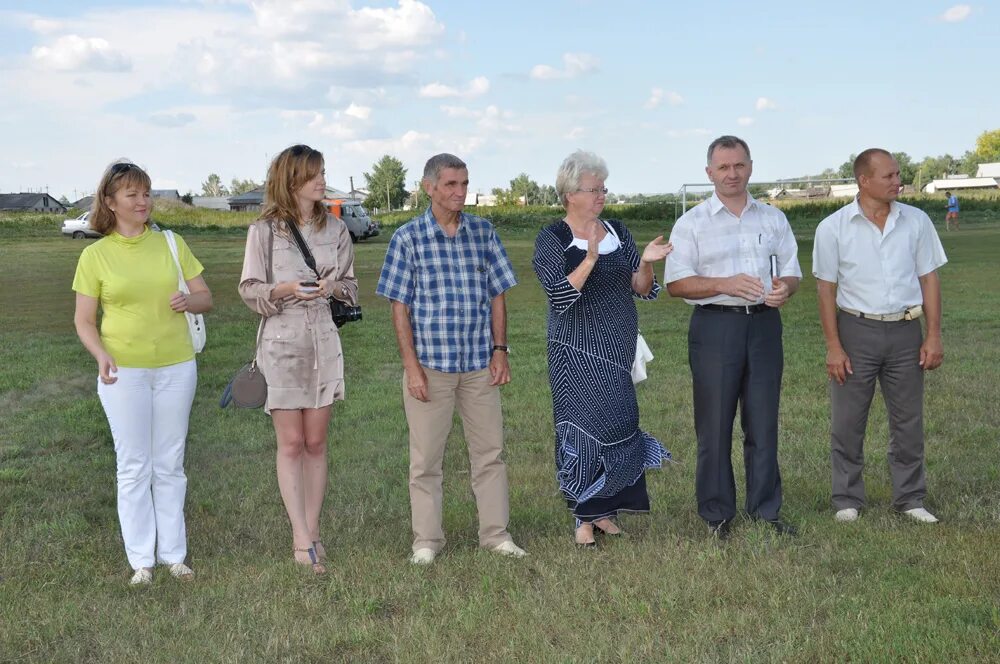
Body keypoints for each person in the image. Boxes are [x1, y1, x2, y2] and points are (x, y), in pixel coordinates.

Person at [376, 153, 527, 564]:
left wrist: (500, 351)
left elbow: (498, 293)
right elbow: (399, 307)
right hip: (431, 367)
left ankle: (496, 535)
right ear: (429, 187)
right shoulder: (407, 238)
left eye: (464, 184)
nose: (460, 193)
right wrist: (411, 367)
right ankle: (426, 541)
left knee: (490, 453)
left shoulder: (483, 232)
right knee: (425, 461)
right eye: (451, 185)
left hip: (480, 364)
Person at [72, 161, 213, 585]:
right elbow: (83, 321)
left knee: (170, 462)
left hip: (176, 366)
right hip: (123, 372)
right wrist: (100, 355)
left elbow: (206, 296)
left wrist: (190, 302)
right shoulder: (94, 255)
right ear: (110, 203)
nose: (142, 201)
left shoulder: (171, 243)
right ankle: (142, 562)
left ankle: (174, 555)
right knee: (134, 465)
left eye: (146, 193)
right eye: (132, 194)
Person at [532, 150, 673, 547]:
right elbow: (560, 296)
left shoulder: (618, 231)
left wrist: (645, 262)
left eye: (603, 188)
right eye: (594, 190)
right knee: (582, 431)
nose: (601, 196)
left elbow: (641, 289)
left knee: (619, 424)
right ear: (569, 194)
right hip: (575, 354)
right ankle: (583, 515)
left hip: (617, 348)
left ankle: (606, 512)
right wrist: (591, 256)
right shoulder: (553, 238)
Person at [665, 135, 802, 539]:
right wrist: (723, 283)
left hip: (763, 327)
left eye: (738, 165)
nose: (732, 173)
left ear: (751, 167)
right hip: (715, 328)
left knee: (763, 423)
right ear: (709, 173)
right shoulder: (691, 223)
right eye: (723, 167)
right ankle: (716, 514)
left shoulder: (773, 218)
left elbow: (791, 272)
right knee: (714, 425)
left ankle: (765, 511)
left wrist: (785, 290)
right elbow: (676, 284)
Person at [238, 144, 358, 574]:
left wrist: (331, 289)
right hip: (282, 344)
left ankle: (314, 528)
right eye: (314, 175)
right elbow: (249, 288)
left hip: (324, 344)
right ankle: (300, 537)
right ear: (292, 181)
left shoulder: (337, 230)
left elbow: (351, 287)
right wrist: (285, 290)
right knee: (291, 444)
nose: (323, 181)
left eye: (323, 172)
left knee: (316, 442)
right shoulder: (265, 231)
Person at [813, 148, 946, 524]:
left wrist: (932, 335)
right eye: (888, 175)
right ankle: (847, 498)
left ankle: (910, 497)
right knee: (848, 420)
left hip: (906, 330)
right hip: (856, 330)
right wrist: (834, 346)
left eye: (898, 174)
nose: (897, 181)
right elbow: (826, 289)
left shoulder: (917, 222)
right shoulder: (833, 228)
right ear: (864, 180)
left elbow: (929, 279)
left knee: (908, 420)